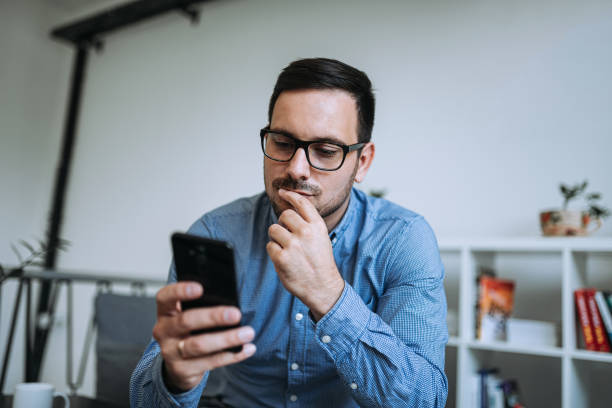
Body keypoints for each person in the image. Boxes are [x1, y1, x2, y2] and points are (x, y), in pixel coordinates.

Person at [130, 58, 448, 408]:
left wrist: (329, 295)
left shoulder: (404, 240)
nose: (296, 169)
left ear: (363, 162)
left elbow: (425, 399)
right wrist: (176, 378)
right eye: (282, 142)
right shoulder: (215, 234)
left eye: (326, 151)